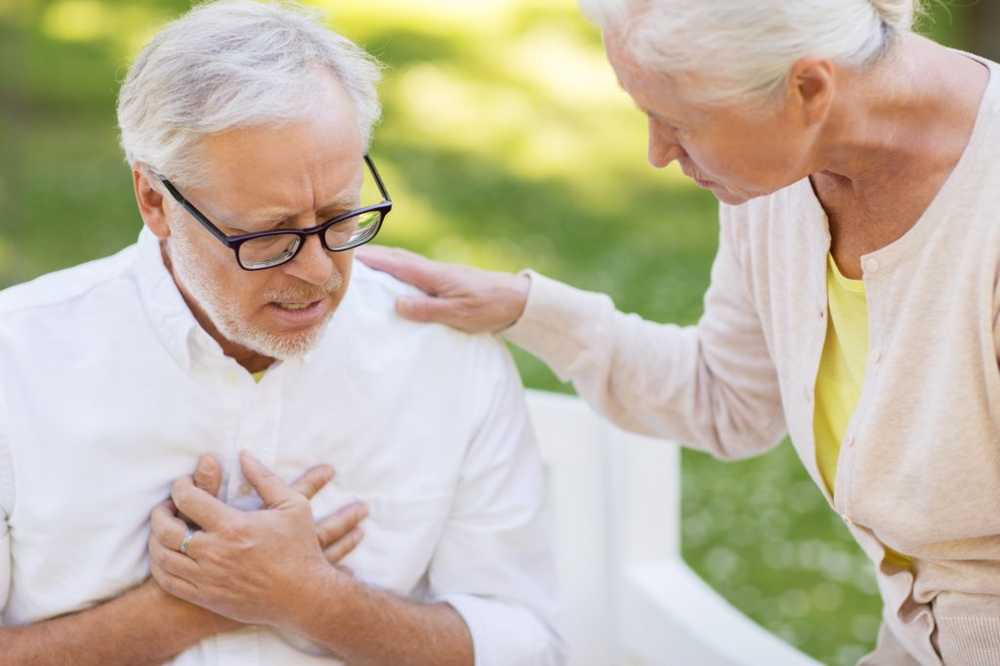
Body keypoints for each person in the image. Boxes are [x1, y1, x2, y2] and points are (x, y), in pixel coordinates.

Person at [357, 0, 1000, 663]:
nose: (658, 154)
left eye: (678, 123)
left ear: (808, 90)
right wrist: (524, 307)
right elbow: (728, 399)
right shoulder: (782, 175)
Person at [0, 2, 565, 664]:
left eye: (339, 215)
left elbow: (528, 647)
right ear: (155, 200)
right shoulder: (18, 358)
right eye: (269, 236)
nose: (320, 272)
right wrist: (181, 609)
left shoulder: (447, 355)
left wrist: (315, 601)